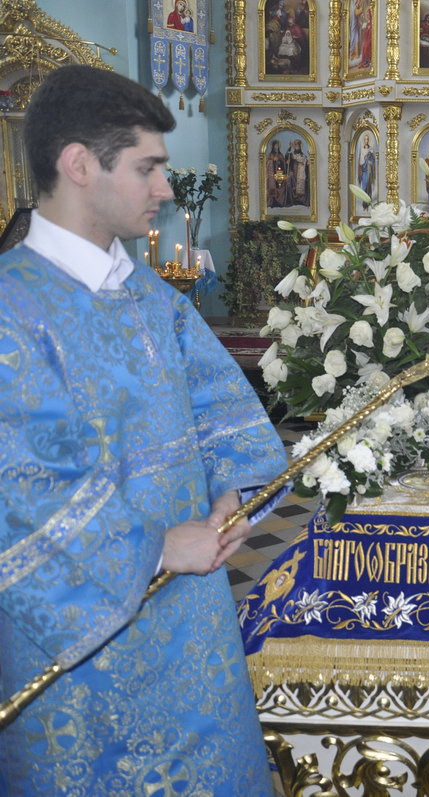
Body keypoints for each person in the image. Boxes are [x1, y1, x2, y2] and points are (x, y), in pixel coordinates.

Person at [0, 65, 286, 793]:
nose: (165, 187)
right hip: (84, 653)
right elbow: (19, 486)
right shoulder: (11, 309)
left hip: (193, 625)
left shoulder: (149, 294)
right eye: (147, 167)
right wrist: (154, 547)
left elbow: (219, 405)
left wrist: (232, 497)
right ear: (79, 165)